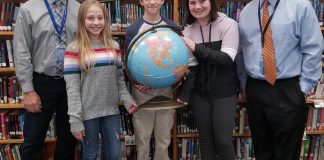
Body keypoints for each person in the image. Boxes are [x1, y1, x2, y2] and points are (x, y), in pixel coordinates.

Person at [239, 0, 324, 159]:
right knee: (261, 149)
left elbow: (313, 48)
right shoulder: (246, 12)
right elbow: (241, 52)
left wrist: (303, 88)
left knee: (287, 152)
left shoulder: (300, 6)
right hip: (255, 89)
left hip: (287, 89)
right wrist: (244, 85)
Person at [63, 0, 137, 159]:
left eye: (100, 18)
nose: (96, 22)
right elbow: (72, 88)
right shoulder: (74, 49)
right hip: (87, 113)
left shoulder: (114, 46)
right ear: (82, 20)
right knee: (90, 154)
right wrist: (75, 119)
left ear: (105, 19)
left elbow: (119, 79)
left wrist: (127, 100)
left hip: (111, 110)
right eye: (90, 18)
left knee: (115, 153)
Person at [13, 0, 80, 159]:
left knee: (68, 141)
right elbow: (21, 51)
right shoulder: (28, 9)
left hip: (72, 82)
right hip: (41, 84)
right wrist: (28, 90)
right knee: (33, 141)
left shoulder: (79, 8)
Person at [177, 0, 240, 159]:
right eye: (192, 2)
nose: (197, 6)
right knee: (205, 140)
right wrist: (183, 95)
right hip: (199, 95)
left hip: (225, 93)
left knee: (223, 141)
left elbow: (226, 58)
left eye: (202, 1)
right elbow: (193, 68)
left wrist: (195, 47)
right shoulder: (187, 31)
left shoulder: (229, 24)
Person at [125, 0, 177, 159]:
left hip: (166, 92)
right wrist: (136, 83)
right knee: (143, 139)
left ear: (162, 1)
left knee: (163, 140)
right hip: (142, 93)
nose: (152, 2)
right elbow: (128, 63)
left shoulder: (172, 26)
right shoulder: (134, 29)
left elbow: (178, 56)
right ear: (141, 1)